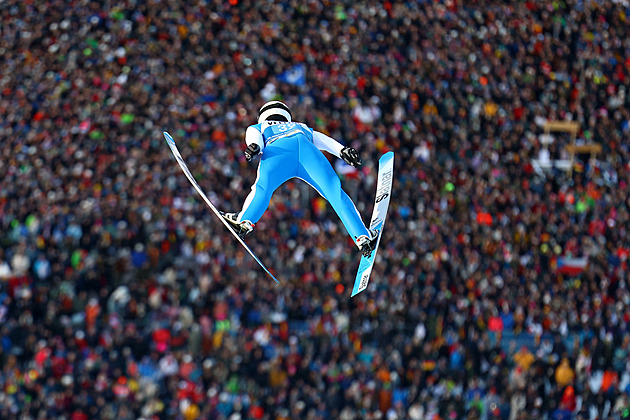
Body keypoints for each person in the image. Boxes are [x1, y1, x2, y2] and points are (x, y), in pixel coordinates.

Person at [221, 101, 378, 256]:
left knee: (262, 188)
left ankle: (245, 221)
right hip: (306, 149)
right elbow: (321, 139)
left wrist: (254, 147)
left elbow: (254, 137)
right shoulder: (300, 125)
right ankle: (362, 236)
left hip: (277, 150)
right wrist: (342, 151)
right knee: (334, 193)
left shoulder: (260, 126)